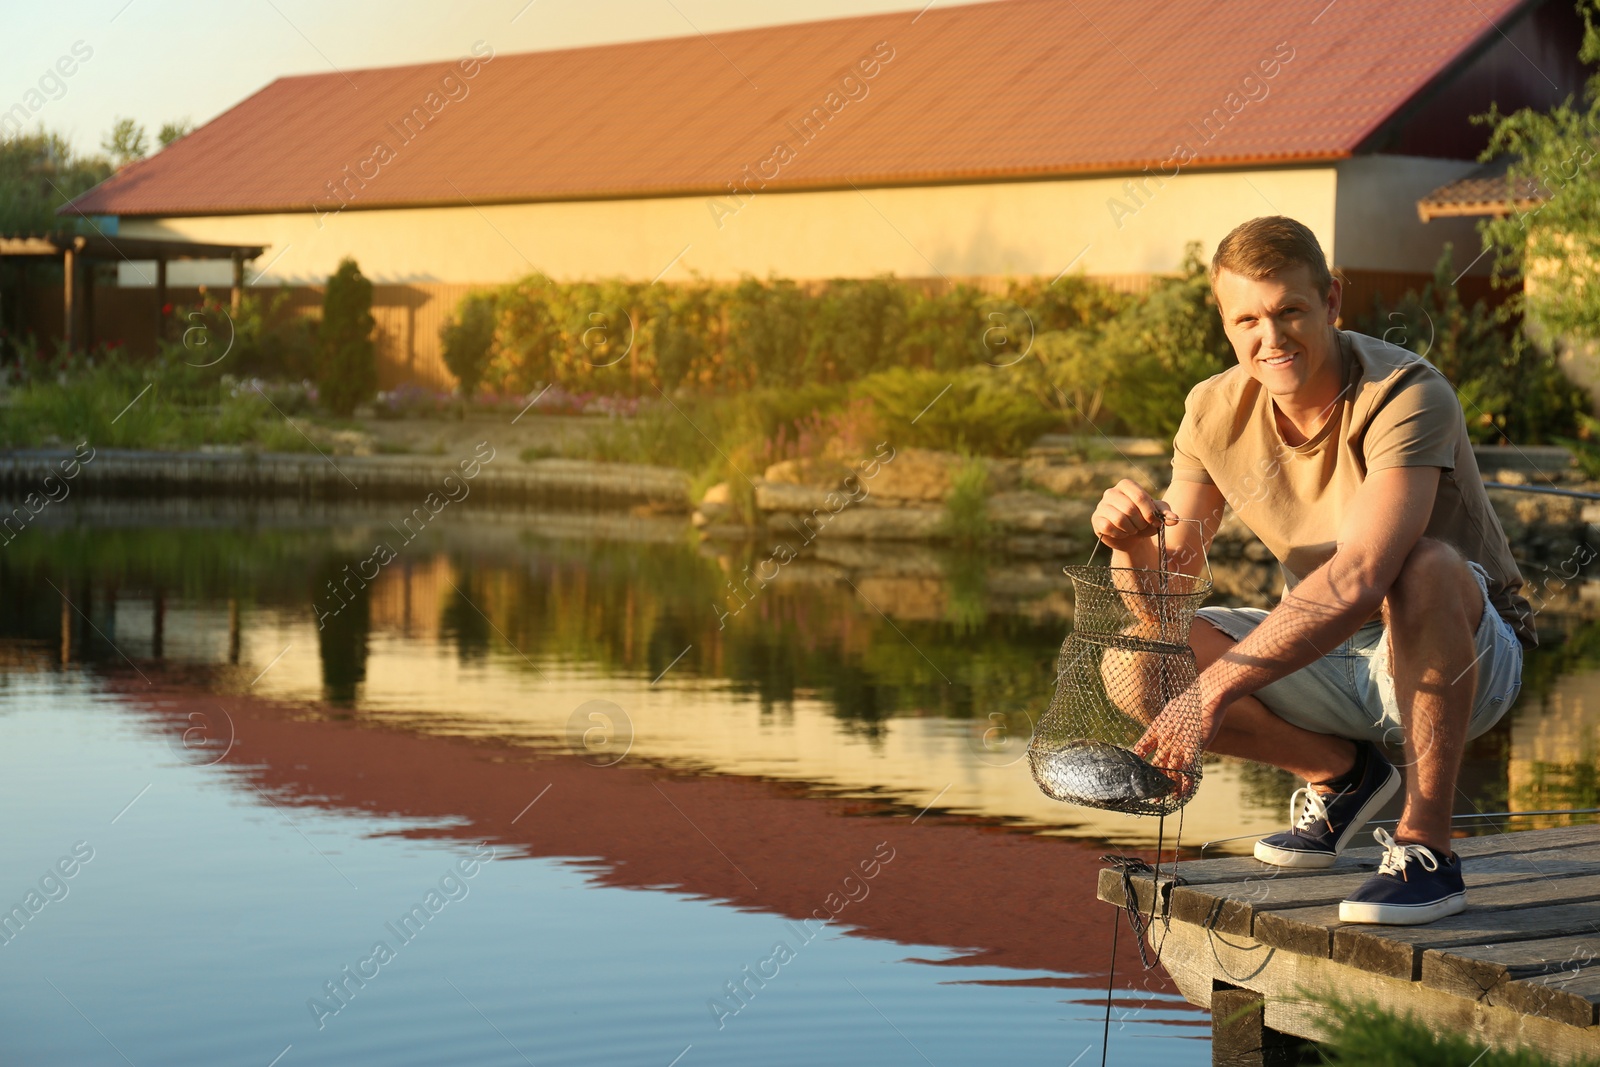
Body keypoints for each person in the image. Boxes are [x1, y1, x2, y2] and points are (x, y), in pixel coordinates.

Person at [1092, 216, 1532, 926]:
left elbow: (1362, 572)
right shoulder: (1210, 410)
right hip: (1333, 649)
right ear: (1226, 325)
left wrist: (1215, 688)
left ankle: (1427, 848)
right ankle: (1342, 774)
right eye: (1249, 320)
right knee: (1133, 665)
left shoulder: (1406, 391)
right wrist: (1126, 542)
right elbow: (1162, 602)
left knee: (1422, 566)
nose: (1272, 338)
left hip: (1469, 655)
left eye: (1290, 311)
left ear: (1330, 301)